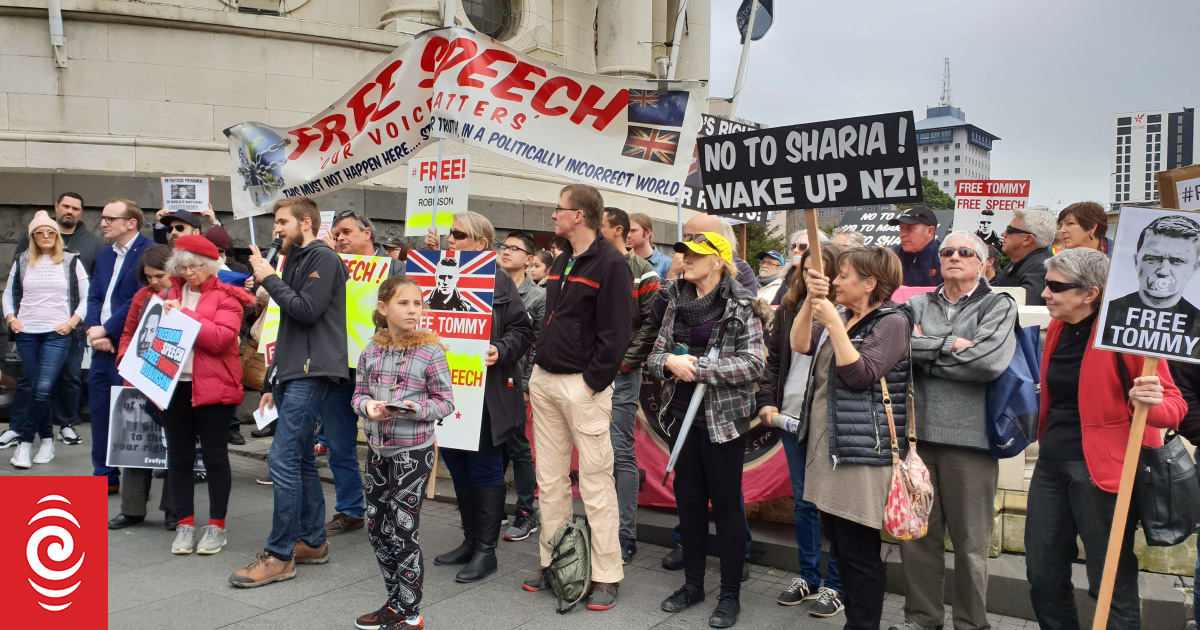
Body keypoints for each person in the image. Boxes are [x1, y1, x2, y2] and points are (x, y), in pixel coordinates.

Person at [1025, 247, 1184, 629]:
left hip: (1105, 474)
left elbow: (1173, 407)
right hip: (1051, 465)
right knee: (1043, 573)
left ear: (1090, 293)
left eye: (1055, 286)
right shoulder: (1060, 326)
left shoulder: (1123, 333)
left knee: (1110, 578)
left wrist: (1148, 400)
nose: (1044, 293)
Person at [895, 232, 1018, 630]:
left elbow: (987, 362)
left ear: (983, 264)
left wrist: (925, 349)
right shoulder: (915, 303)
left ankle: (971, 624)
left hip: (972, 443)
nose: (954, 257)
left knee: (971, 546)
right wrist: (952, 346)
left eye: (966, 252)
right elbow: (897, 351)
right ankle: (922, 619)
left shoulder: (997, 304)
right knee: (917, 541)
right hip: (917, 440)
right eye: (947, 251)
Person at [789, 246, 913, 630]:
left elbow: (860, 375)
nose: (836, 281)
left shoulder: (892, 322)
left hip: (863, 453)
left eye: (844, 275)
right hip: (830, 449)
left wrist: (836, 325)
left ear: (870, 283)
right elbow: (799, 344)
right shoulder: (841, 314)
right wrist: (813, 302)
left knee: (859, 552)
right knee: (840, 544)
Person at [522, 184, 632, 610]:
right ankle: (556, 562)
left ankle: (606, 574)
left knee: (595, 482)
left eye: (559, 209)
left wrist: (591, 383)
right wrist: (538, 370)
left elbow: (616, 333)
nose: (553, 216)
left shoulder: (611, 264)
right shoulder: (563, 257)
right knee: (548, 481)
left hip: (581, 385)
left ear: (579, 216)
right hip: (546, 380)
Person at [648, 231, 765, 629]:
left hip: (723, 420)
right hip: (681, 417)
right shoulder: (675, 301)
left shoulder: (741, 304)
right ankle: (693, 585)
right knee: (690, 503)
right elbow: (654, 353)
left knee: (727, 506)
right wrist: (668, 364)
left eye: (696, 254)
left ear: (718, 261)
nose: (686, 259)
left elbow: (753, 364)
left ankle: (729, 594)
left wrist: (698, 368)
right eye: (683, 252)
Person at [231, 196, 349, 587]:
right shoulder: (294, 259)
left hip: (313, 370)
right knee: (296, 458)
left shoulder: (323, 258)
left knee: (281, 459)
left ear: (306, 222)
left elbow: (305, 310)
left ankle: (280, 554)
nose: (275, 229)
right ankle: (313, 541)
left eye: (282, 222)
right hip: (292, 371)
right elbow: (287, 325)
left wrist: (269, 277)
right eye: (275, 222)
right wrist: (271, 380)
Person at [424, 212, 535, 583]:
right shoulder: (436, 274)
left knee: (485, 467)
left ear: (481, 243)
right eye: (449, 234)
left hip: (486, 394)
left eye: (458, 234)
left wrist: (500, 350)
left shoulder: (499, 281)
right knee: (455, 464)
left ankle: (486, 551)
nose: (450, 239)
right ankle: (471, 541)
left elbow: (523, 331)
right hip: (446, 387)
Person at [351, 275, 455, 630]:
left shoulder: (431, 351)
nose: (413, 310)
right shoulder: (370, 350)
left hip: (414, 452)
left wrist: (413, 407)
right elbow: (358, 396)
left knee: (402, 529)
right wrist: (370, 409)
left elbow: (445, 403)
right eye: (404, 303)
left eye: (418, 303)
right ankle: (395, 602)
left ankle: (411, 613)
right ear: (383, 308)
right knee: (377, 527)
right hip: (378, 450)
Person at [757, 243, 847, 620]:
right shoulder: (792, 307)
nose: (813, 277)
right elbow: (777, 357)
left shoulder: (853, 311)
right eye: (807, 269)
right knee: (804, 502)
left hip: (830, 422)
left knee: (837, 507)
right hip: (791, 416)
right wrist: (765, 398)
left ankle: (837, 585)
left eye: (822, 270)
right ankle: (808, 576)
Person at [313, 210, 407, 538]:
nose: (340, 238)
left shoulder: (394, 269)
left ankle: (396, 508)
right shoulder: (327, 265)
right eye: (336, 233)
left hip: (381, 369)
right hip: (337, 369)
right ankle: (351, 509)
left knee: (390, 442)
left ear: (367, 233)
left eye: (346, 231)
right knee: (339, 445)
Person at [158, 236, 252, 555]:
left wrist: (185, 314)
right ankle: (184, 523)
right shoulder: (167, 292)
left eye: (194, 266)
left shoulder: (227, 295)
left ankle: (217, 526)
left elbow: (220, 340)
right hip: (174, 384)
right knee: (179, 456)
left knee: (214, 457)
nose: (188, 272)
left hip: (214, 385)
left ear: (211, 266)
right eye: (181, 266)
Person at [7, 192, 103, 448]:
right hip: (31, 325)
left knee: (70, 376)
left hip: (69, 327)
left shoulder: (92, 244)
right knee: (30, 379)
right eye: (66, 206)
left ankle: (66, 426)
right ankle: (17, 428)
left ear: (81, 212)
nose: (70, 211)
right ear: (56, 208)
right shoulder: (30, 240)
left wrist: (79, 322)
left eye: (76, 208)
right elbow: (15, 283)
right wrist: (13, 318)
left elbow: (92, 290)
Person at [600, 207, 661, 563]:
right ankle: (601, 528)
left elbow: (651, 325)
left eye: (600, 226)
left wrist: (624, 363)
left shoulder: (643, 271)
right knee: (595, 456)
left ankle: (625, 535)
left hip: (621, 375)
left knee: (620, 453)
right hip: (591, 375)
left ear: (617, 230)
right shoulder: (589, 265)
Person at [87, 199, 154, 494]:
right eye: (103, 218)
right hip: (100, 347)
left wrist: (108, 329)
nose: (103, 223)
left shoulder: (149, 252)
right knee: (100, 411)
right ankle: (105, 475)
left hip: (130, 346)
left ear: (131, 223)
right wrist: (93, 330)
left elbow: (142, 297)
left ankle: (135, 485)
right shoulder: (104, 255)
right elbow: (94, 295)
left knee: (131, 413)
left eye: (110, 218)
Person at [109, 244, 177, 531]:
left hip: (173, 381)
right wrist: (124, 357)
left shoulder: (186, 295)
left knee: (177, 446)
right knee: (137, 445)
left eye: (158, 275)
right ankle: (132, 509)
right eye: (148, 276)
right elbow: (129, 333)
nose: (153, 282)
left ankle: (175, 510)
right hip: (139, 378)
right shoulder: (142, 296)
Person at [497, 229, 545, 543]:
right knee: (495, 442)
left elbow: (538, 344)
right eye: (504, 246)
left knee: (517, 445)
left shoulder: (538, 296)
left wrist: (526, 385)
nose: (506, 252)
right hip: (492, 377)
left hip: (517, 379)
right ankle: (493, 507)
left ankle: (526, 511)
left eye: (514, 249)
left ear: (529, 260)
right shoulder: (489, 286)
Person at [1104, 214, 1200, 355]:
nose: (1163, 271)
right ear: (1137, 261)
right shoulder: (1105, 315)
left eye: (1177, 261)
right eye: (1152, 258)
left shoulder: (1197, 323)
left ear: (1194, 268)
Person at [993, 208, 1056, 305]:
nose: (1003, 234)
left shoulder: (1040, 268)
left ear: (1027, 239)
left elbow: (1023, 308)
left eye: (1009, 230)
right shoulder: (1023, 263)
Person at [772, 229, 831, 307]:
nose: (796, 250)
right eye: (794, 246)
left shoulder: (824, 281)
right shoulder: (788, 278)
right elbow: (774, 307)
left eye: (802, 246)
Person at [889, 206, 943, 287]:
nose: (902, 235)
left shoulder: (944, 256)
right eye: (901, 229)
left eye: (910, 229)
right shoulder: (895, 255)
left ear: (929, 231)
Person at [628, 212, 672, 278]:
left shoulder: (667, 263)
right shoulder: (622, 261)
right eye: (626, 231)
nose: (628, 235)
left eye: (633, 231)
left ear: (648, 233)